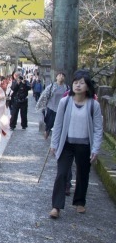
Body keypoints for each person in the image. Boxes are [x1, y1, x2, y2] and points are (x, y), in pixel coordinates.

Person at [48, 70, 103, 219]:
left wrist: (96, 148)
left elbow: (98, 128)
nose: (78, 85)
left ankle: (79, 202)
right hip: (66, 143)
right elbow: (58, 124)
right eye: (75, 82)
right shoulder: (65, 102)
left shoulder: (94, 105)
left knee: (83, 174)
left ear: (88, 86)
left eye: (81, 83)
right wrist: (54, 143)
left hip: (85, 144)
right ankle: (56, 206)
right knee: (61, 173)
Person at [36, 72, 69, 140]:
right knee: (49, 124)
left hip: (61, 109)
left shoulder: (67, 88)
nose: (61, 76)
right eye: (59, 75)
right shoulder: (51, 86)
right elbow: (44, 96)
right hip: (51, 108)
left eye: (63, 75)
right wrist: (41, 106)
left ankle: (57, 138)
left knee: (59, 125)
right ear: (56, 77)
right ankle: (46, 134)